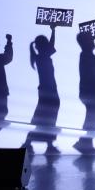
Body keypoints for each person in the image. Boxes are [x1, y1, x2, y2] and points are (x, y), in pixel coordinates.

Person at [25, 25, 60, 153]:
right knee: (46, 115)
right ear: (42, 46)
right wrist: (53, 31)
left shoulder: (41, 57)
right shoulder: (42, 57)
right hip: (48, 90)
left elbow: (51, 45)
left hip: (48, 89)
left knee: (46, 115)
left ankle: (46, 144)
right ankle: (32, 143)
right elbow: (52, 45)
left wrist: (53, 31)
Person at [75, 31, 95, 154]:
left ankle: (85, 143)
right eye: (91, 40)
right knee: (94, 118)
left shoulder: (87, 55)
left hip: (92, 93)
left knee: (94, 118)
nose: (93, 41)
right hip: (92, 93)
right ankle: (84, 143)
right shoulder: (86, 55)